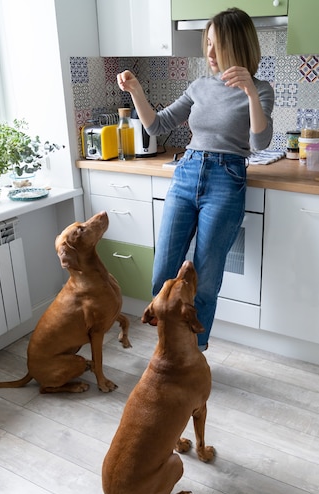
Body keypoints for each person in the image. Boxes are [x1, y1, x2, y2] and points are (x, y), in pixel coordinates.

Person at [117, 7, 274, 351]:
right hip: (187, 173)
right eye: (208, 44)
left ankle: (193, 351)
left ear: (240, 47)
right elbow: (157, 125)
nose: (210, 53)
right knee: (162, 273)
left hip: (227, 178)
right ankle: (167, 346)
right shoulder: (199, 86)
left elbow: (260, 142)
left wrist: (249, 94)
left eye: (219, 46)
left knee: (203, 279)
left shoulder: (260, 90)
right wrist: (136, 92)